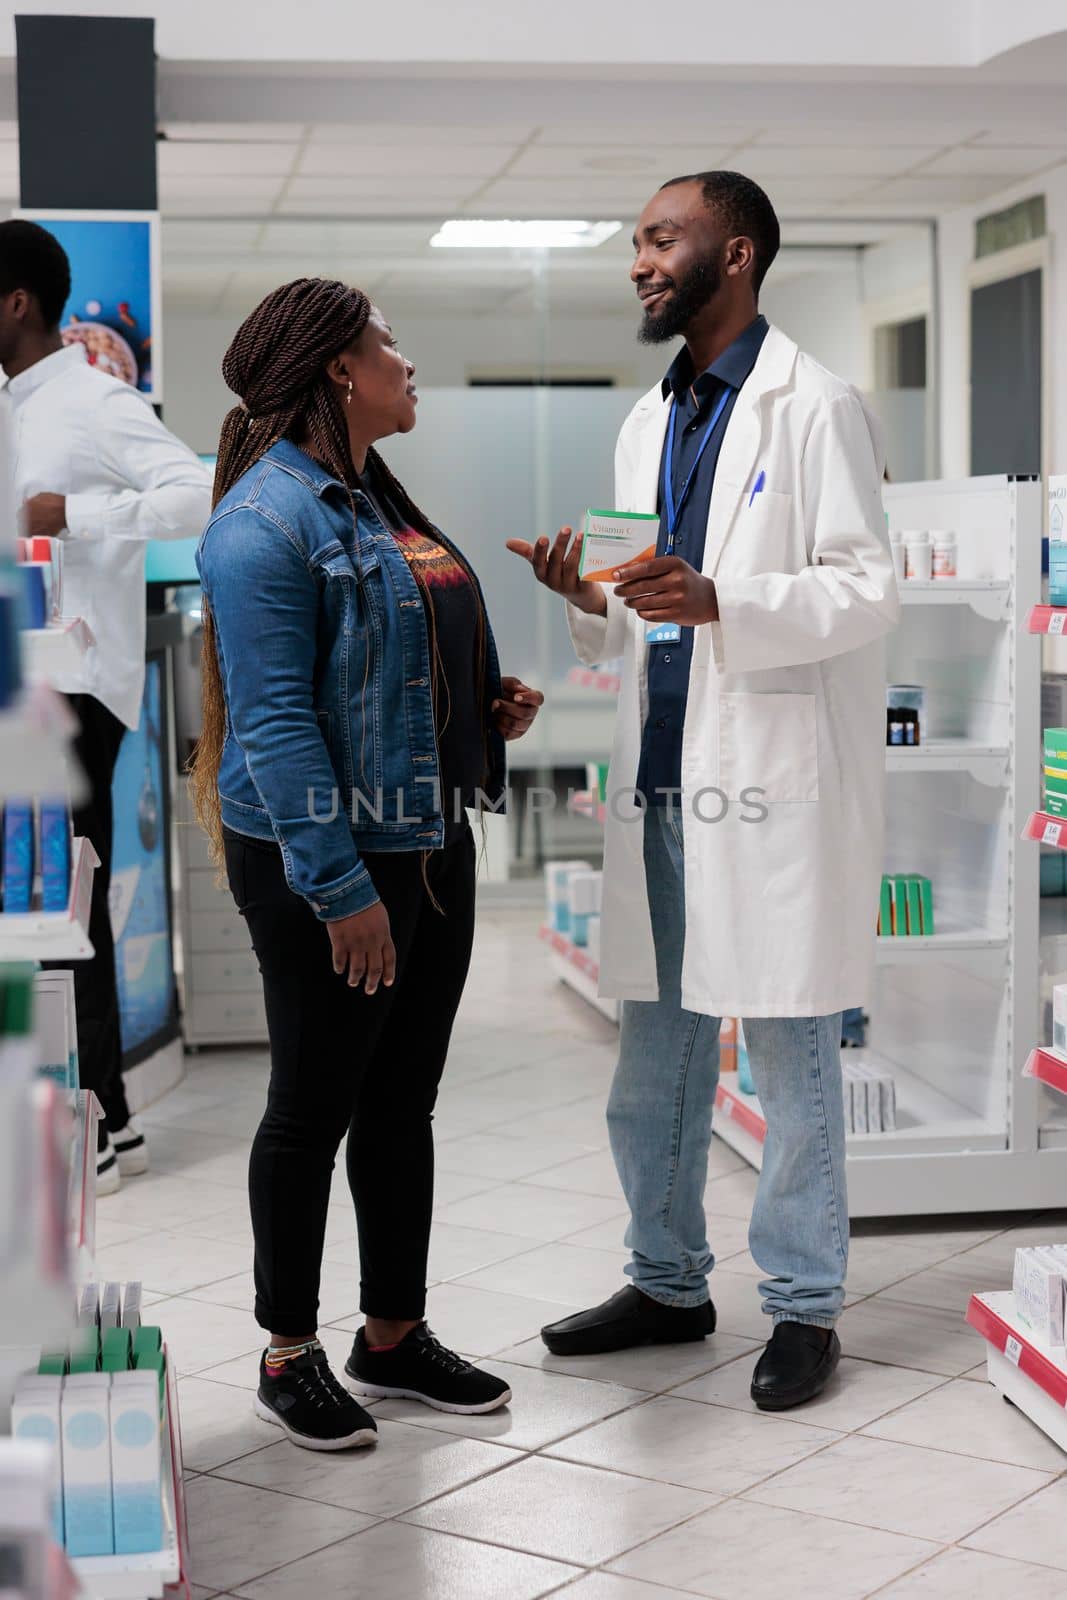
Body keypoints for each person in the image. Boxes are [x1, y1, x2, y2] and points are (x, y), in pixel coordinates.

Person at [509, 171, 898, 1411]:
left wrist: (724, 599)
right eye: (633, 241)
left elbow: (863, 587)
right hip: (665, 783)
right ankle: (669, 1281)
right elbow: (634, 615)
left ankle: (801, 1307)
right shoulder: (646, 420)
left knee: (787, 1058)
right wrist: (591, 604)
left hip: (768, 785)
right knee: (653, 1064)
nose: (637, 261)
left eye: (659, 239)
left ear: (733, 255)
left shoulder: (813, 405)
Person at [192, 277, 543, 1452]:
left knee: (402, 1103)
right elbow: (279, 723)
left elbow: (402, 660)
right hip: (322, 856)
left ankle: (390, 1334)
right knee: (312, 1107)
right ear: (339, 369)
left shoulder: (377, 500)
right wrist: (341, 891)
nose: (405, 360)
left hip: (428, 837)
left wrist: (484, 710)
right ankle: (285, 1352)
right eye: (387, 344)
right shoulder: (263, 522)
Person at [0, 219, 212, 1194]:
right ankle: (92, 1118)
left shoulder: (91, 398)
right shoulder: (15, 409)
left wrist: (75, 515)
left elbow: (198, 493)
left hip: (79, 687)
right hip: (28, 678)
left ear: (15, 301)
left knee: (58, 901)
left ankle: (99, 1124)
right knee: (40, 904)